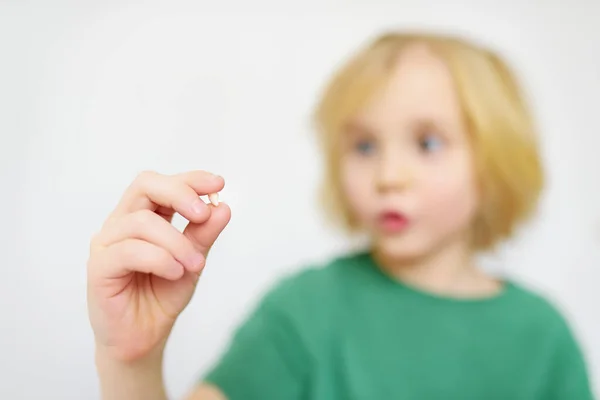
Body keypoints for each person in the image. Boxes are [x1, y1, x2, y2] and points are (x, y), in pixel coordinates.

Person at [86, 31, 595, 399]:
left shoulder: (541, 336)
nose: (389, 175)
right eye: (364, 145)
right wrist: (131, 360)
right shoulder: (304, 313)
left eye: (428, 142)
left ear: (496, 164)